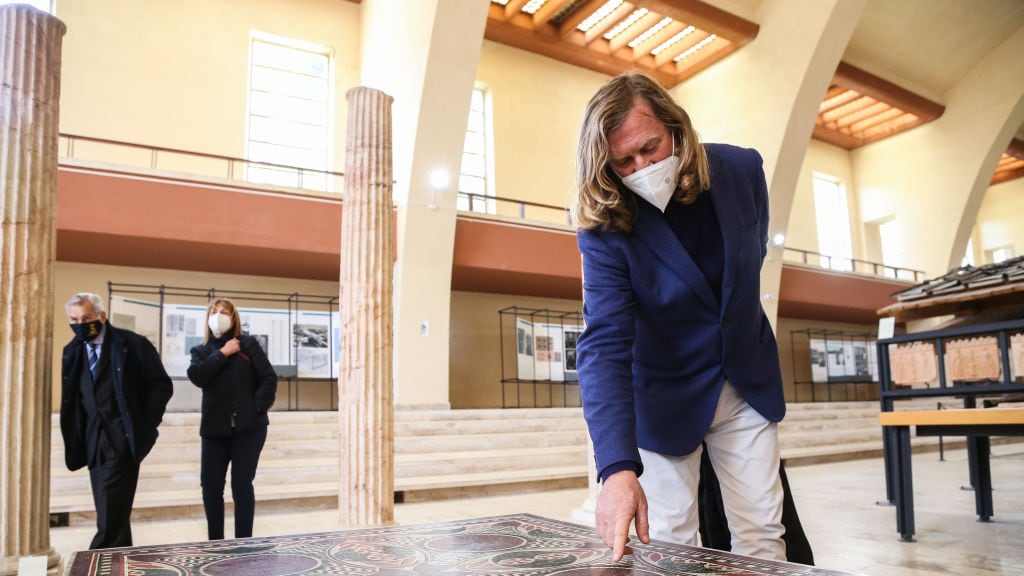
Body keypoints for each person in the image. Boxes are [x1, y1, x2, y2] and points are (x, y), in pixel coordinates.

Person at [574, 71, 788, 562]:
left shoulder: (740, 170)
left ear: (675, 127)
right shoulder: (605, 227)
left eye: (650, 148)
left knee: (762, 532)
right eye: (623, 162)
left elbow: (751, 254)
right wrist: (617, 469)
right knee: (668, 542)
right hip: (662, 393)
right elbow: (603, 346)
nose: (642, 166)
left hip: (744, 377)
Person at [60, 292, 174, 549]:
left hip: (122, 439)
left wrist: (146, 423)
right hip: (91, 443)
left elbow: (161, 385)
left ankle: (93, 563)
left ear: (102, 316)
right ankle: (121, 562)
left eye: (86, 318)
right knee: (113, 513)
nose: (79, 324)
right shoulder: (72, 351)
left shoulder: (132, 344)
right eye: (74, 319)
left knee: (109, 520)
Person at [187, 298, 277, 540]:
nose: (218, 315)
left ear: (233, 317)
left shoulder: (248, 344)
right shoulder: (201, 351)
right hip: (214, 429)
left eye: (224, 311)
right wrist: (222, 353)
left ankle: (243, 542)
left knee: (242, 485)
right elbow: (197, 376)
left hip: (249, 428)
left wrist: (257, 407)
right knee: (211, 487)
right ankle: (215, 543)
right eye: (214, 312)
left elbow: (268, 378)